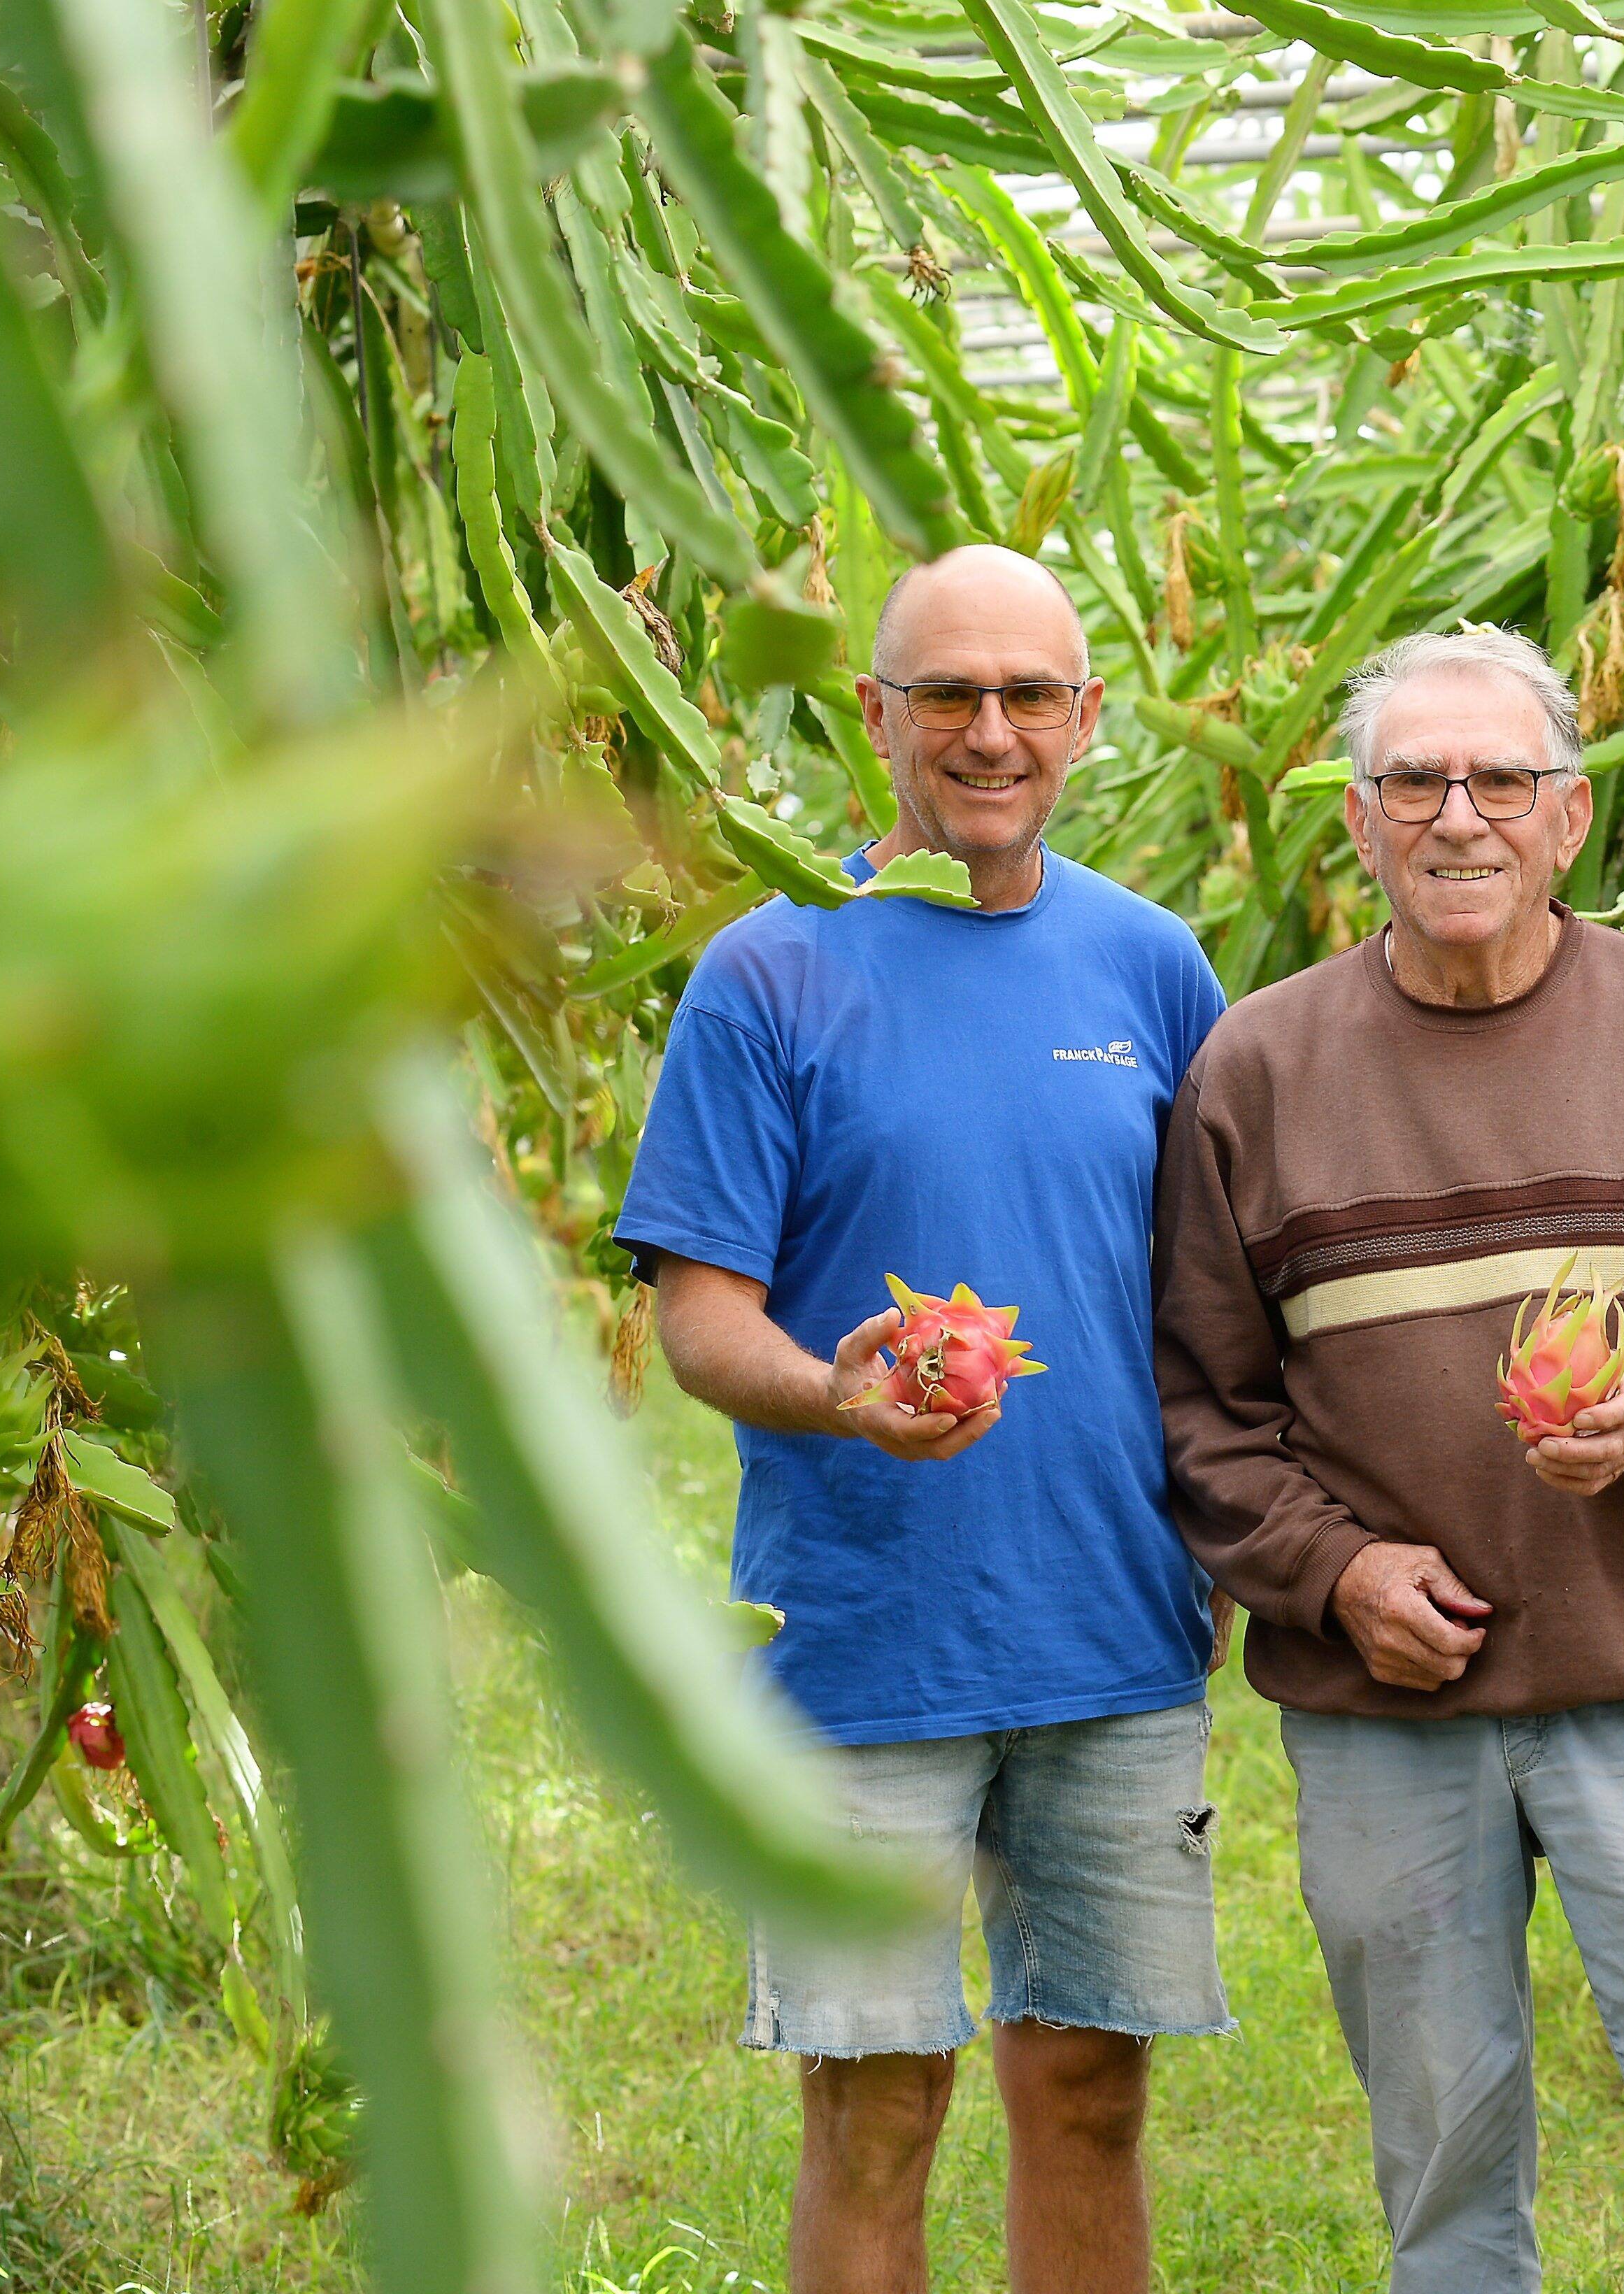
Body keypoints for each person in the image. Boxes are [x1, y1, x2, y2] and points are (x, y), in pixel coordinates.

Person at [1154, 627, 1624, 2294]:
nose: (1457, 814)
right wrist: (1338, 1574)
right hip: (1389, 1713)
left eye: (1502, 779)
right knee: (1442, 2158)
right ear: (1361, 820)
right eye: (1417, 779)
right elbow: (1205, 1410)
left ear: (1569, 819)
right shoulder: (1255, 1072)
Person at [614, 543, 1232, 2294]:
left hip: (1113, 1626)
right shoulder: (771, 968)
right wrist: (839, 1394)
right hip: (864, 1633)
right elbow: (698, 1318)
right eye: (945, 693)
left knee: (1091, 2085)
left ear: (1086, 719)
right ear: (873, 715)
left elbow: (1204, 1294)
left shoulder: (1152, 966)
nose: (987, 730)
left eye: (1027, 693)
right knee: (876, 2103)